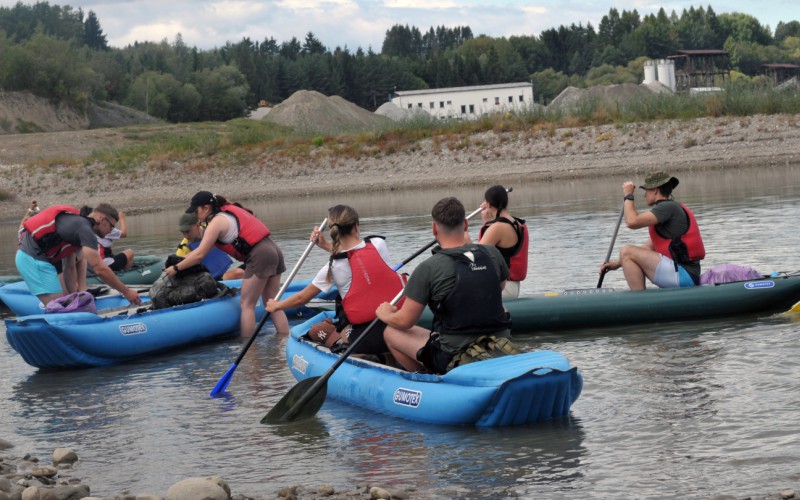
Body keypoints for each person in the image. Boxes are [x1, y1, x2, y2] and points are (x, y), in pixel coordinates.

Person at [376, 197, 514, 374]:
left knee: (390, 332)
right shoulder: (493, 253)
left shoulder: (427, 267)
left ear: (434, 228)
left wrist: (384, 313)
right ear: (465, 225)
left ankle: (428, 380)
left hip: (453, 354)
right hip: (500, 345)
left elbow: (405, 321)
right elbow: (498, 288)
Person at [266, 205, 405, 358]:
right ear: (356, 227)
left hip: (368, 335)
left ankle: (357, 354)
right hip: (399, 323)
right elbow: (357, 253)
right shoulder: (378, 244)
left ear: (334, 232)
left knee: (343, 332)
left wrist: (277, 305)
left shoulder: (332, 268)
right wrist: (325, 245)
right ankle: (388, 359)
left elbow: (302, 298)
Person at [166, 191, 287, 336]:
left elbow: (199, 255)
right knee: (272, 303)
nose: (195, 216)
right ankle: (283, 342)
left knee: (247, 305)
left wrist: (176, 268)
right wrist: (180, 261)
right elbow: (200, 250)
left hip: (260, 255)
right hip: (273, 250)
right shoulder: (227, 213)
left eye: (196, 211)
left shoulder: (216, 222)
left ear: (206, 208)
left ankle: (248, 352)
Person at [15, 202, 143, 306]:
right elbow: (100, 269)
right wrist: (126, 291)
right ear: (102, 220)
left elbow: (69, 267)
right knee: (59, 309)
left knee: (68, 304)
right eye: (111, 227)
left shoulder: (76, 230)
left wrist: (76, 298)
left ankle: (80, 293)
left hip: (41, 261)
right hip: (32, 259)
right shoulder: (84, 229)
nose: (111, 231)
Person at [599, 171, 705, 290]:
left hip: (684, 276)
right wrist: (618, 264)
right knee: (627, 254)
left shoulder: (668, 207)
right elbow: (647, 248)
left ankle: (640, 302)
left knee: (626, 251)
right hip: (683, 274)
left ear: (655, 190)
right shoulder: (666, 211)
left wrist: (628, 196)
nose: (645, 195)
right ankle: (642, 299)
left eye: (647, 191)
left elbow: (631, 221)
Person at [468, 185, 529, 299]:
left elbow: (476, 256)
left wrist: (464, 231)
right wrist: (486, 221)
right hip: (510, 287)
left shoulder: (497, 228)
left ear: (489, 205)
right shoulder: (515, 222)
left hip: (503, 289)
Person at [175, 212, 245, 280]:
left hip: (230, 268)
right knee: (238, 273)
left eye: (187, 231)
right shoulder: (183, 249)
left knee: (253, 265)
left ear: (197, 225)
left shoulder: (212, 229)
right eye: (182, 232)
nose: (185, 236)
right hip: (212, 280)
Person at [80, 206, 135, 272]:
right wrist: (122, 218)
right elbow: (124, 233)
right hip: (105, 265)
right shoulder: (103, 229)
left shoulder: (85, 229)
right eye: (111, 226)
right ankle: (125, 273)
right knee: (130, 252)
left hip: (93, 266)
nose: (111, 230)